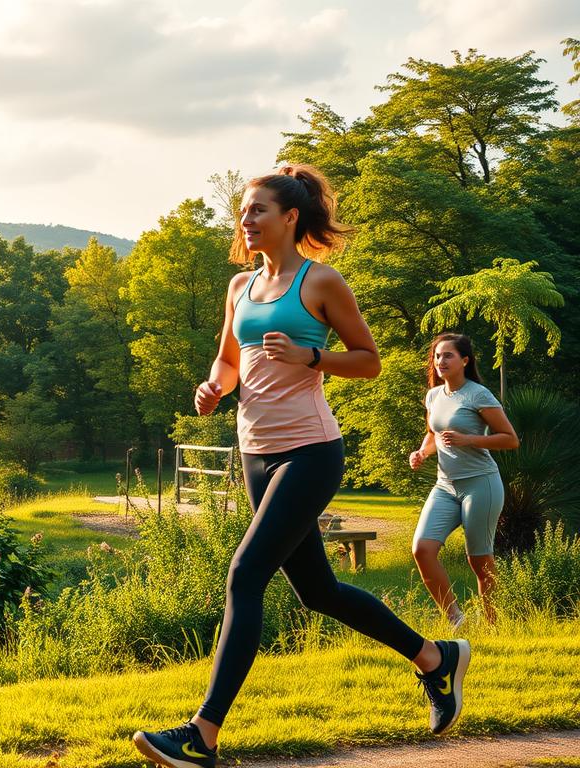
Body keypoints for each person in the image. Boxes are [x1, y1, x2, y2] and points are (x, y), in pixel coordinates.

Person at [132, 164, 468, 768]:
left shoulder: (321, 281)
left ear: (289, 217)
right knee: (317, 591)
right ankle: (435, 658)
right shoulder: (239, 286)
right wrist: (213, 388)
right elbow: (227, 360)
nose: (246, 219)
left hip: (310, 451)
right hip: (254, 452)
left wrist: (312, 356)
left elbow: (369, 360)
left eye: (258, 209)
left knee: (244, 575)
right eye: (243, 210)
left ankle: (202, 736)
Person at [409, 333, 518, 628]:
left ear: (465, 361)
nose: (440, 361)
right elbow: (433, 435)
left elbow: (510, 439)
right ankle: (457, 619)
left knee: (479, 561)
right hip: (445, 486)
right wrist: (421, 453)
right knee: (422, 549)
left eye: (448, 355)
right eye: (437, 356)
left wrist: (469, 439)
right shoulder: (433, 395)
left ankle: (494, 625)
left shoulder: (478, 394)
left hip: (480, 484)